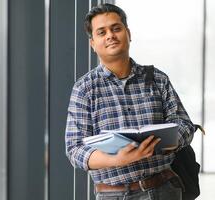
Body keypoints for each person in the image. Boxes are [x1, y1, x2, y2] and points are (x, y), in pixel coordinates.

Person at [65, 3, 195, 200]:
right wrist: (116, 160)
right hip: (114, 195)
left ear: (128, 33)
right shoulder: (84, 89)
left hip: (164, 189)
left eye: (116, 28)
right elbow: (75, 150)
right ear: (93, 43)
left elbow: (186, 126)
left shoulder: (158, 79)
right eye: (102, 32)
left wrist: (165, 142)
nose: (110, 35)